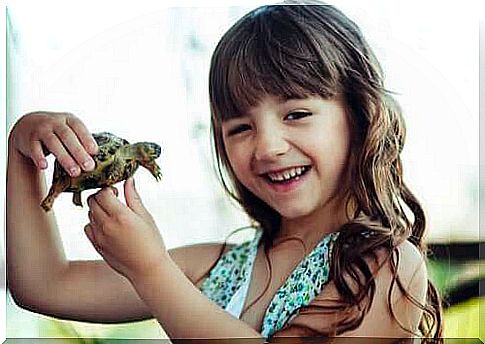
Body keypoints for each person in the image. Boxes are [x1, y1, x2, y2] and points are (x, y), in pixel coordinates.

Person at [6, 2, 443, 342]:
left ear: (358, 117)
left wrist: (152, 271)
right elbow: (44, 285)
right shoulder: (219, 266)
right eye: (240, 127)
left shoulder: (385, 268)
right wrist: (24, 151)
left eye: (296, 114)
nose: (268, 146)